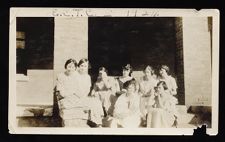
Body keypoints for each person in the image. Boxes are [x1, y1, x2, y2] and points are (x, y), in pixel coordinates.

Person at [56, 59, 90, 127]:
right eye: (69, 66)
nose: (70, 69)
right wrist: (69, 94)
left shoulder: (77, 76)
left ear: (75, 68)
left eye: (73, 67)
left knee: (83, 106)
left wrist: (79, 96)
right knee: (68, 106)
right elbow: (60, 91)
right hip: (65, 97)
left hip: (75, 97)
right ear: (66, 66)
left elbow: (79, 89)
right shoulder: (61, 76)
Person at [76, 58, 104, 127]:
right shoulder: (75, 75)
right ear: (79, 66)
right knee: (90, 102)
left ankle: (97, 122)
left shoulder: (87, 77)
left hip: (84, 96)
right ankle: (94, 122)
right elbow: (74, 89)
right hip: (76, 96)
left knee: (96, 102)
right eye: (81, 65)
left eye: (85, 66)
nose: (83, 68)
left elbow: (87, 89)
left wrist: (84, 96)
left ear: (87, 67)